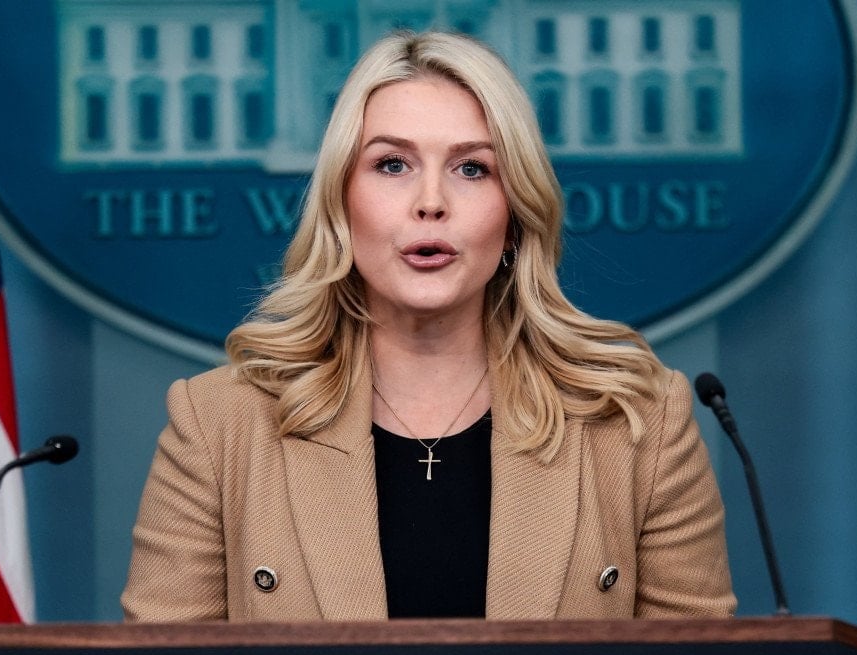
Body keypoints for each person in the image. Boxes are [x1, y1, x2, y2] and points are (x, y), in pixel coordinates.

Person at [122, 30, 736, 622]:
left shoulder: (637, 423)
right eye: (392, 164)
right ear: (341, 204)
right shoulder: (217, 425)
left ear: (515, 216)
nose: (431, 202)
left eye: (472, 169)